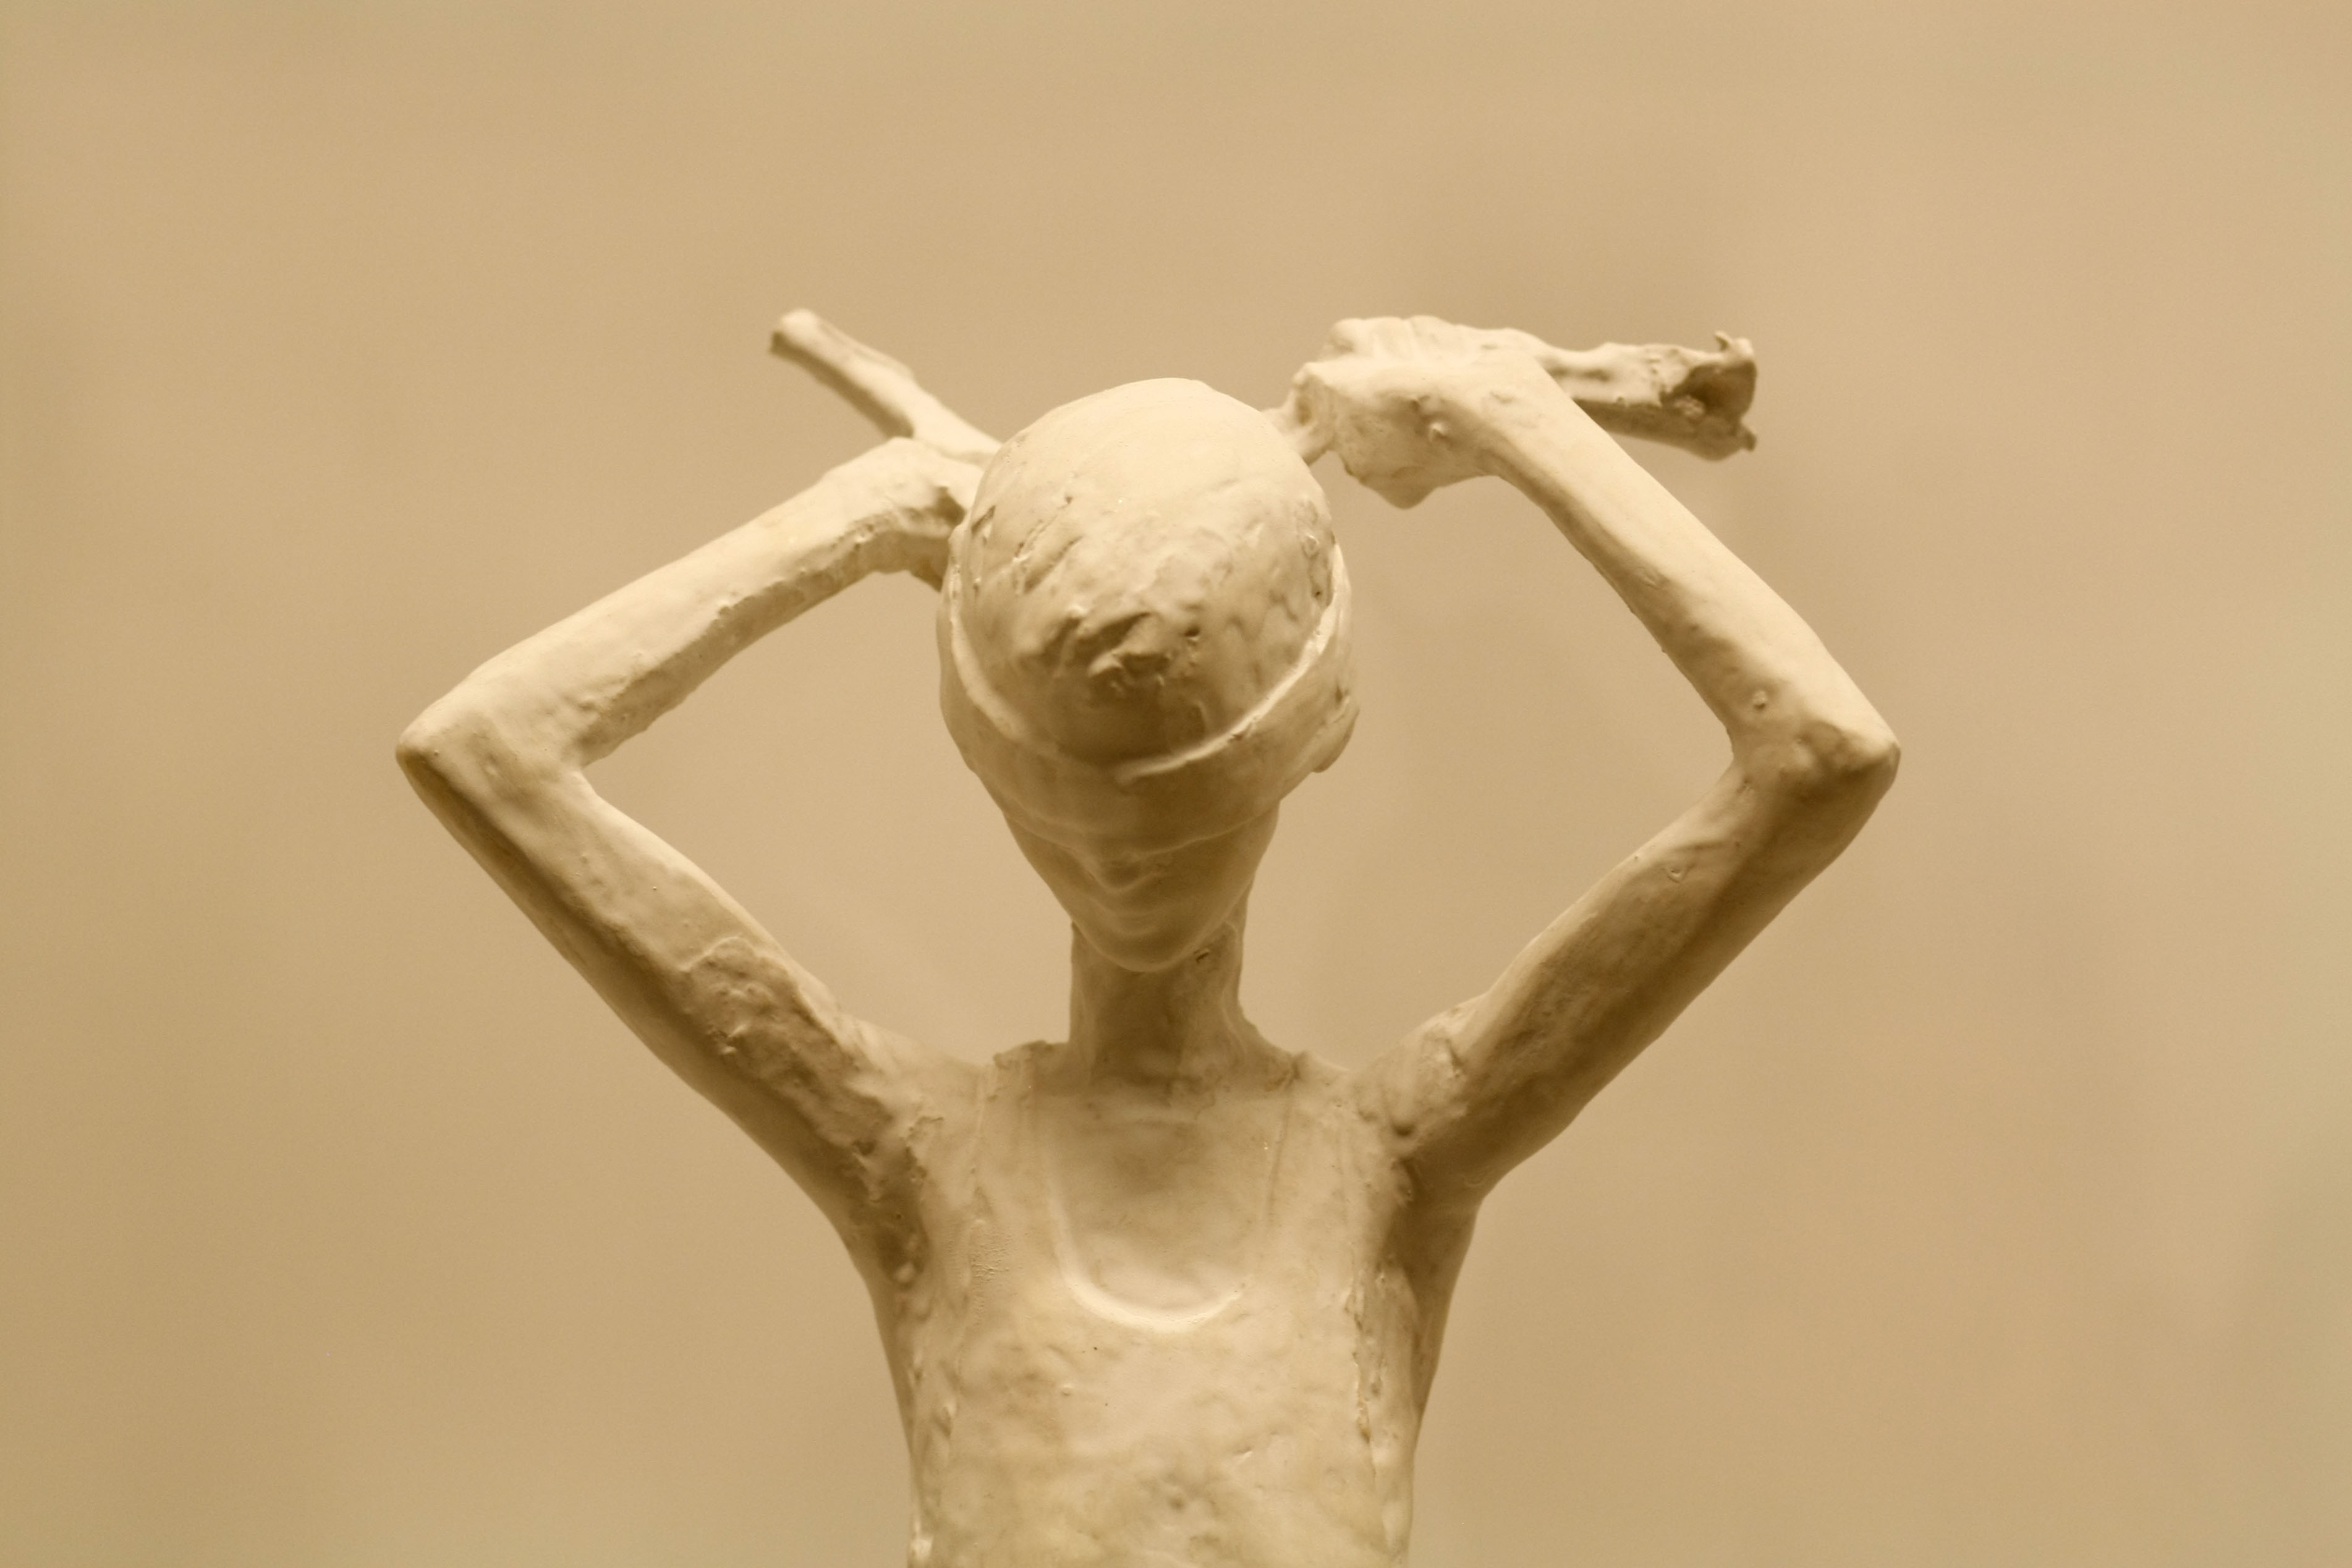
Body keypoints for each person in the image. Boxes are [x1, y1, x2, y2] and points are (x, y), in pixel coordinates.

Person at [398, 312, 1898, 1567]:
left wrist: (1512, 413)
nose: (1119, 874)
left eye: (1171, 825)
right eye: (1069, 823)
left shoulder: (1388, 1158)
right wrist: (866, 512)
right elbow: (484, 751)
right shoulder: (916, 1158)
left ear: (1317, 737)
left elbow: (1821, 755)